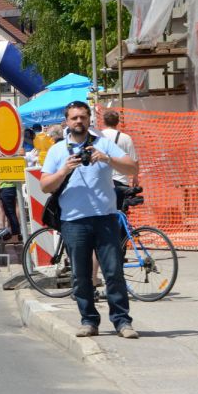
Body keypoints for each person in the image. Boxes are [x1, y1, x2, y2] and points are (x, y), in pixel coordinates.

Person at [40, 101, 140, 339]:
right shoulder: (57, 150)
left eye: (83, 117)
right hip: (73, 221)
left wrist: (106, 158)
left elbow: (132, 168)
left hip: (104, 218)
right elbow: (45, 185)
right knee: (81, 275)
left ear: (89, 120)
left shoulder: (103, 144)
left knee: (113, 271)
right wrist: (63, 170)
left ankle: (122, 321)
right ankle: (89, 321)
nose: (78, 122)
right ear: (67, 121)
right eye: (74, 118)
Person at [99, 110, 139, 211]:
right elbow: (134, 160)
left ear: (104, 121)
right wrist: (135, 177)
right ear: (117, 122)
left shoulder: (98, 137)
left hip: (102, 180)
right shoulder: (126, 138)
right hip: (121, 180)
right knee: (120, 212)